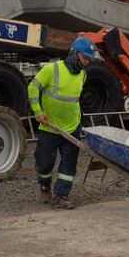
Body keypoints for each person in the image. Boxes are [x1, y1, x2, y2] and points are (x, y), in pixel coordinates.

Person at [27, 36, 96, 209]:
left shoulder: (83, 75)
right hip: (50, 127)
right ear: (74, 53)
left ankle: (61, 195)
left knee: (69, 164)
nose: (86, 62)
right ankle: (44, 186)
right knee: (44, 163)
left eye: (89, 59)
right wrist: (38, 112)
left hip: (72, 127)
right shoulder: (52, 69)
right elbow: (33, 88)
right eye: (84, 58)